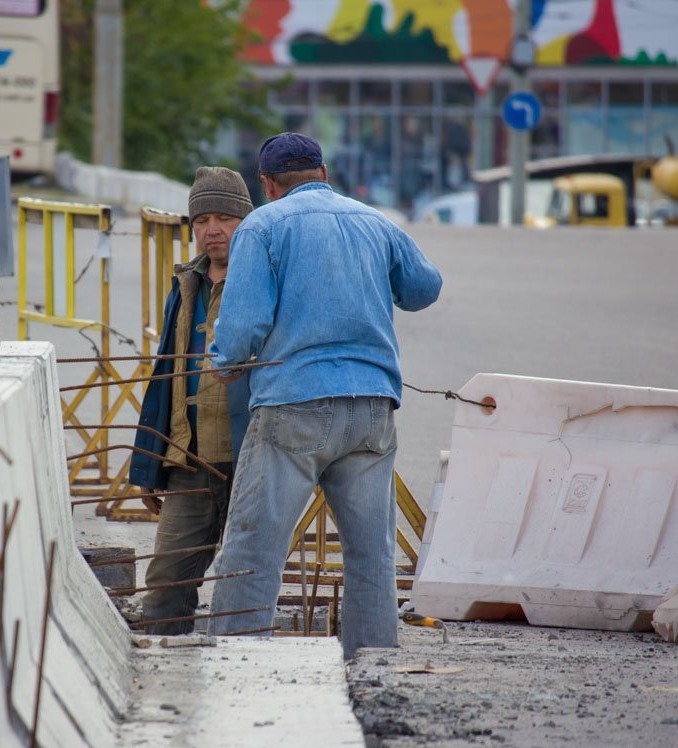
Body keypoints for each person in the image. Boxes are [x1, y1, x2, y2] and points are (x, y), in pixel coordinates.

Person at [205, 132, 443, 660]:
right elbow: (424, 288)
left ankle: (235, 662)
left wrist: (223, 361)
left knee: (254, 545)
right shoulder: (373, 221)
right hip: (372, 409)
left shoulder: (264, 226)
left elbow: (244, 324)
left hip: (294, 406)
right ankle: (373, 664)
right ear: (324, 172)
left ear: (267, 184)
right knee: (371, 554)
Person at [129, 167, 254, 635]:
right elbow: (165, 378)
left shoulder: (263, 281)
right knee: (164, 586)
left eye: (224, 217)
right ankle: (169, 694)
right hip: (191, 459)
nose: (212, 230)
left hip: (252, 461)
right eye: (202, 219)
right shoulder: (184, 288)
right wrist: (150, 461)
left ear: (247, 221)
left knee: (247, 584)